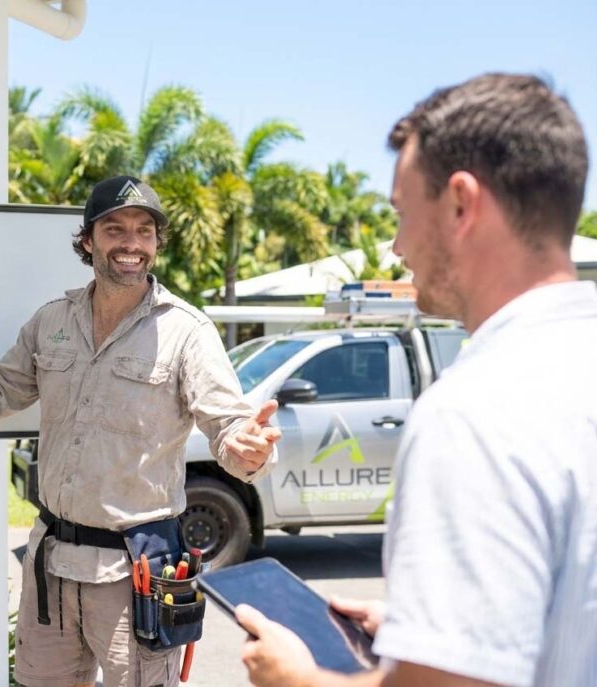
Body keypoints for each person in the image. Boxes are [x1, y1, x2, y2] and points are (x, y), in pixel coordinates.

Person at [236, 73, 596, 687]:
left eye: (403, 214)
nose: (398, 246)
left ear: (461, 203)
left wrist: (293, 677)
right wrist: (423, 632)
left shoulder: (475, 410)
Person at [0, 175, 282, 687]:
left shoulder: (187, 332)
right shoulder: (51, 321)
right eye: (115, 228)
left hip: (136, 571)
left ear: (156, 244)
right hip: (53, 567)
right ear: (88, 241)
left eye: (144, 231)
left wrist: (249, 447)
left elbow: (230, 431)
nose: (131, 243)